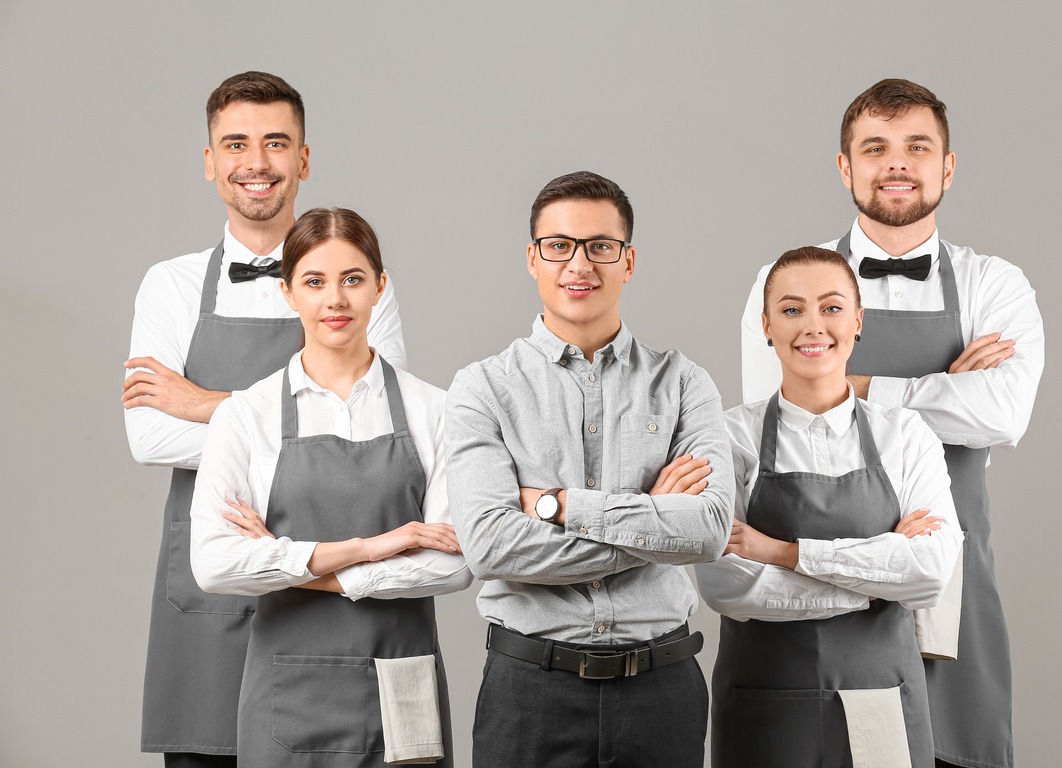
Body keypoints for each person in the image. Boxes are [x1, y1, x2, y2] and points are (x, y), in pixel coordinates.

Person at [740, 79, 1044, 768]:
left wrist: (855, 384)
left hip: (947, 575)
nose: (897, 163)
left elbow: (1004, 411)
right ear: (846, 167)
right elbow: (780, 423)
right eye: (875, 147)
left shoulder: (995, 283)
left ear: (947, 165)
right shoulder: (782, 280)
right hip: (812, 593)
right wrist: (944, 388)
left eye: (917, 146)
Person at [123, 72, 406, 766]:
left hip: (342, 581)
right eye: (237, 144)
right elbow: (149, 435)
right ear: (212, 163)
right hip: (213, 589)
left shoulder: (359, 278)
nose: (257, 162)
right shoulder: (172, 283)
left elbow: (379, 431)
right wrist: (306, 421)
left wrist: (206, 403)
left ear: (303, 161)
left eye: (276, 143)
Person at [444, 171, 734, 768]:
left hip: (663, 688)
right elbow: (490, 548)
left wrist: (556, 506)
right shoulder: (483, 388)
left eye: (601, 246)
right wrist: (656, 526)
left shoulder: (683, 383)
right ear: (533, 258)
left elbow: (708, 530)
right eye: (560, 245)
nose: (580, 264)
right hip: (528, 691)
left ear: (628, 261)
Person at [189, 207, 469, 767]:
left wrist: (299, 566)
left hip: (402, 688)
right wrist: (376, 545)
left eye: (353, 279)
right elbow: (214, 565)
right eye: (314, 282)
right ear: (288, 292)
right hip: (286, 697)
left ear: (379, 288)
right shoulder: (247, 416)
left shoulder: (436, 410)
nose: (334, 300)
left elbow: (456, 565)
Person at [700, 246, 962, 767]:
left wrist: (782, 553)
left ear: (858, 319)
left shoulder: (906, 435)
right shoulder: (728, 438)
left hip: (881, 704)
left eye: (833, 307)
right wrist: (877, 586)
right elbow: (727, 586)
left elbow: (932, 575)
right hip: (764, 706)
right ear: (767, 326)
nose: (813, 326)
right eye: (792, 309)